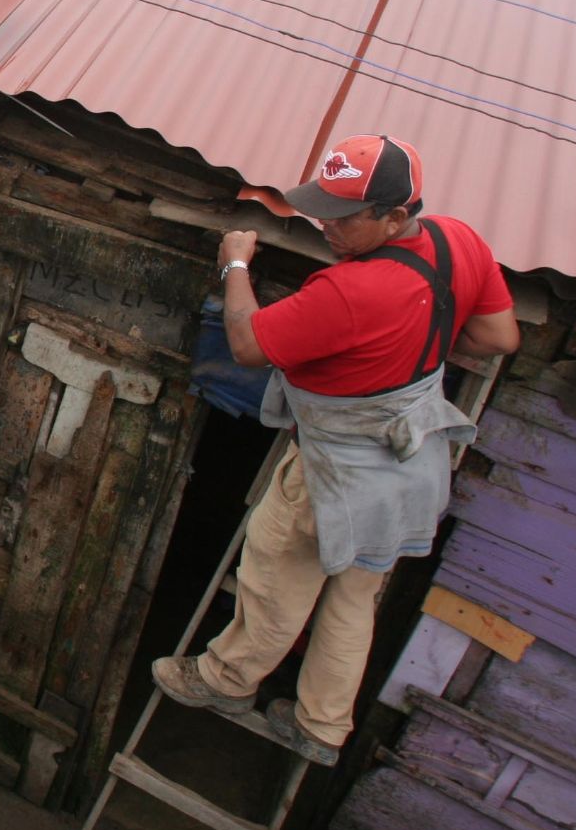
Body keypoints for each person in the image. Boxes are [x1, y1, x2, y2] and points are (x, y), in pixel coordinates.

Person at [153, 135, 520, 765]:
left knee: (273, 580)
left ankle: (225, 682)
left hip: (333, 469)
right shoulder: (461, 241)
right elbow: (498, 336)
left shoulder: (347, 291)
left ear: (395, 217)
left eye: (343, 217)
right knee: (353, 599)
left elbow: (246, 344)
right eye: (324, 206)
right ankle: (322, 726)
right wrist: (414, 341)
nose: (326, 225)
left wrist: (236, 263)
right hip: (409, 463)